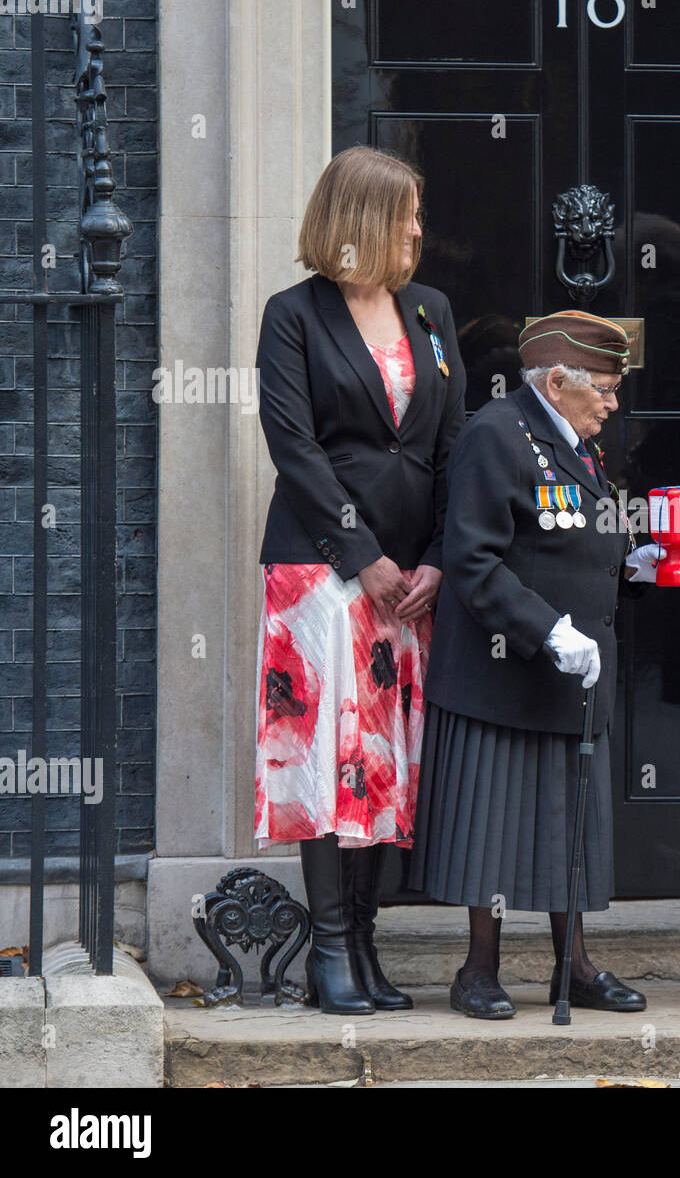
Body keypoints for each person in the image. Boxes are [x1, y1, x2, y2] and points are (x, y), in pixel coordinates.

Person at [409, 310, 680, 1019]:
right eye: (602, 386)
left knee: (570, 824)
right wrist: (548, 630)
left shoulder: (578, 442)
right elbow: (472, 559)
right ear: (558, 379)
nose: (613, 401)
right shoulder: (495, 434)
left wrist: (637, 563)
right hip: (503, 673)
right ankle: (478, 969)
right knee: (493, 828)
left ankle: (576, 967)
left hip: (570, 680)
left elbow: (577, 542)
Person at [254, 145, 466, 1015]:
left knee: (382, 763)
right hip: (321, 570)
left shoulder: (432, 310)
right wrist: (365, 555)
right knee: (328, 761)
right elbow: (294, 448)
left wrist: (440, 559)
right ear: (364, 219)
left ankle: (368, 944)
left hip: (409, 578)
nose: (419, 228)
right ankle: (329, 951)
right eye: (406, 212)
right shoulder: (293, 315)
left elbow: (454, 447)